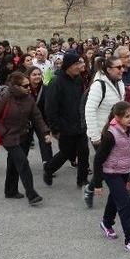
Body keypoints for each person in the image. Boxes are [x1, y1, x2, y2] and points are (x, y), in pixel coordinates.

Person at [0, 72, 50, 205]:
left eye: (29, 86)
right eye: (25, 86)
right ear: (15, 86)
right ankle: (31, 194)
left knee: (13, 162)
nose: (29, 88)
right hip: (8, 137)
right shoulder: (5, 97)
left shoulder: (28, 98)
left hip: (23, 135)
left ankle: (10, 190)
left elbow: (37, 117)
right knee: (22, 163)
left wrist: (45, 132)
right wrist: (4, 132)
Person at [90, 101, 130, 253]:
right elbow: (99, 159)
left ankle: (106, 223)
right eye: (127, 116)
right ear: (117, 117)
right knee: (125, 203)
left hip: (125, 169)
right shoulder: (110, 134)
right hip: (110, 171)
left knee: (115, 198)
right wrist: (97, 183)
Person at [83, 56, 126, 207]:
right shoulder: (98, 85)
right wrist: (94, 136)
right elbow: (89, 110)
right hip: (101, 133)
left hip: (115, 131)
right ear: (108, 69)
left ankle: (91, 187)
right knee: (108, 164)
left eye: (123, 66)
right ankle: (116, 194)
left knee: (108, 164)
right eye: (118, 67)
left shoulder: (120, 83)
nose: (122, 69)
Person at [44, 53, 90, 188]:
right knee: (67, 153)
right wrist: (54, 128)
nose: (80, 66)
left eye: (80, 63)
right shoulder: (56, 82)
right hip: (64, 126)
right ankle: (49, 168)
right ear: (68, 66)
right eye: (77, 64)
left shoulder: (78, 79)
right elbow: (50, 108)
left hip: (79, 124)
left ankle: (82, 180)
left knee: (84, 151)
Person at [26, 67, 52, 165]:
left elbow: (49, 107)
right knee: (24, 143)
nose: (37, 76)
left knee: (45, 141)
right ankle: (21, 162)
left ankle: (48, 164)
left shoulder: (46, 88)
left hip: (41, 120)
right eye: (34, 74)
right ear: (28, 76)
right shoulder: (24, 88)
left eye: (39, 74)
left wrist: (49, 125)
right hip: (27, 121)